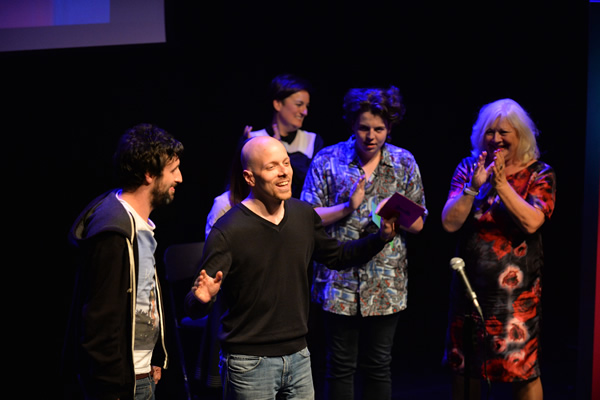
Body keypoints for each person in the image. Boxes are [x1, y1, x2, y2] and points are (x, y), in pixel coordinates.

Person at [184, 135, 399, 399]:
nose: (284, 172)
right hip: (249, 362)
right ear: (250, 178)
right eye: (271, 166)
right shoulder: (228, 231)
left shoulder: (303, 215)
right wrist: (201, 299)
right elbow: (195, 305)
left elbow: (338, 256)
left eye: (285, 162)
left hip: (298, 356)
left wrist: (381, 238)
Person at [300, 86, 427, 400]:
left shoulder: (403, 162)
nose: (371, 136)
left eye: (379, 129)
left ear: (390, 127)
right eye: (364, 128)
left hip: (386, 283)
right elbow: (306, 217)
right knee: (340, 365)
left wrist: (396, 219)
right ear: (351, 125)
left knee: (378, 364)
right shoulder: (328, 159)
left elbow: (420, 224)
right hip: (338, 280)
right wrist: (347, 207)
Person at [441, 98, 556, 400]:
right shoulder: (469, 168)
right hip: (469, 292)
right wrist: (473, 188)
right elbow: (449, 223)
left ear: (520, 136)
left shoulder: (539, 174)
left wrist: (502, 184)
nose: (496, 139)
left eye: (504, 132)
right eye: (490, 132)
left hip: (517, 299)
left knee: (523, 370)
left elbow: (532, 222)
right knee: (466, 368)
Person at [63, 123, 184, 400]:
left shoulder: (139, 225)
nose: (179, 178)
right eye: (173, 170)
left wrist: (154, 354)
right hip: (120, 386)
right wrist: (111, 387)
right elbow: (99, 320)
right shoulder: (114, 232)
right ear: (149, 174)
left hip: (141, 375)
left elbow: (142, 297)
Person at [245, 73, 324, 198]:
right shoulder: (254, 139)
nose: (305, 112)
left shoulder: (312, 140)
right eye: (299, 104)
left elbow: (313, 183)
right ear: (278, 104)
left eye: (306, 106)